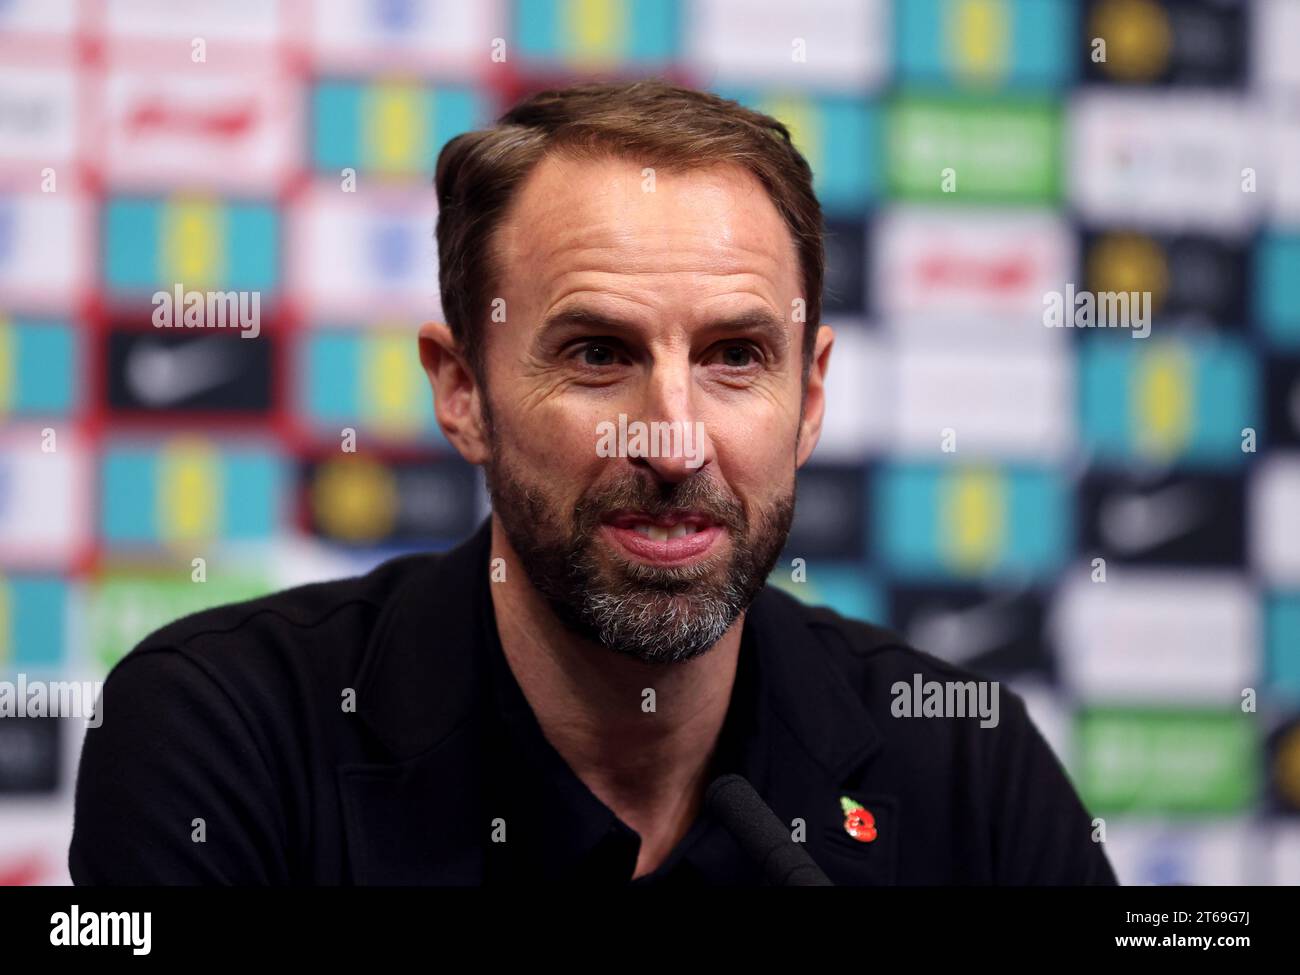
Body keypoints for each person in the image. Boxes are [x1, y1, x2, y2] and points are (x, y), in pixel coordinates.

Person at [69, 79, 1116, 885]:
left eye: (735, 357)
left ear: (808, 400)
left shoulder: (961, 761)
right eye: (597, 354)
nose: (672, 443)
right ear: (463, 391)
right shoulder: (220, 732)